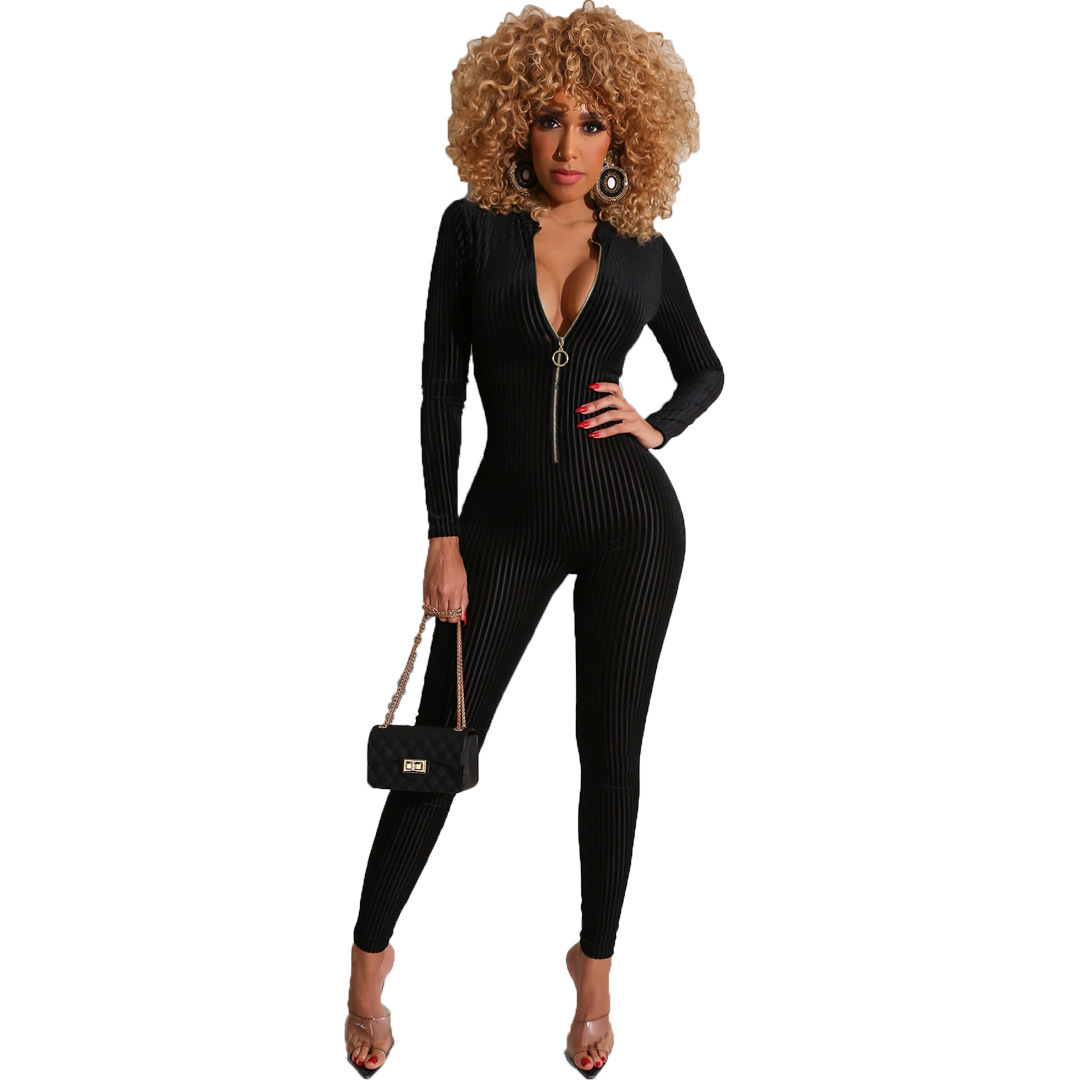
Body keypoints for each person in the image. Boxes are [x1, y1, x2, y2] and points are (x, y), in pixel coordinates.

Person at [345, 3, 724, 1074]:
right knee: (441, 742)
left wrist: (657, 425)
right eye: (550, 117)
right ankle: (368, 962)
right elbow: (441, 391)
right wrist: (442, 533)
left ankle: (594, 970)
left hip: (633, 525)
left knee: (611, 753)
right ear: (513, 119)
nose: (569, 144)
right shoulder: (473, 227)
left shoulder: (643, 249)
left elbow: (706, 369)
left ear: (626, 133)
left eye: (593, 123)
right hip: (502, 524)